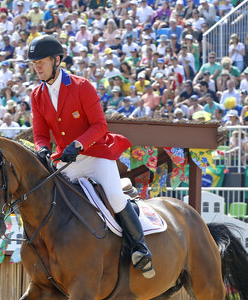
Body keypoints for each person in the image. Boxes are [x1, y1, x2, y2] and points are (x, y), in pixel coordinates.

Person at [27, 35, 154, 278]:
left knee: (115, 197)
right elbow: (40, 134)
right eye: (34, 63)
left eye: (41, 61)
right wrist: (41, 148)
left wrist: (78, 143)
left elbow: (99, 126)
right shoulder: (37, 95)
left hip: (96, 154)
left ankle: (140, 249)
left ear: (57, 60)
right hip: (67, 162)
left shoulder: (81, 86)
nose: (37, 67)